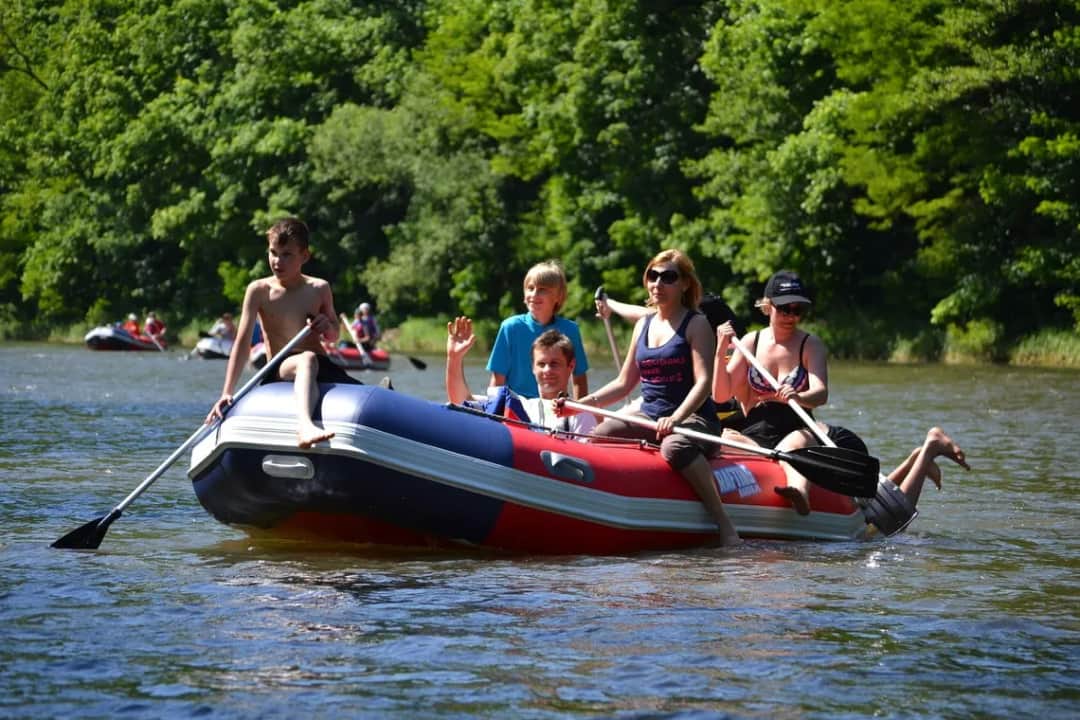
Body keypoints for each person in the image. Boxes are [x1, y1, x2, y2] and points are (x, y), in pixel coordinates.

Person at [559, 249, 740, 546]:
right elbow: (623, 383)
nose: (658, 283)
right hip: (651, 415)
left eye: (668, 277)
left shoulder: (696, 324)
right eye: (652, 276)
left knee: (675, 445)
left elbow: (704, 382)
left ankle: (725, 524)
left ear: (684, 284)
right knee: (602, 433)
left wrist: (677, 418)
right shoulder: (643, 324)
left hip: (693, 418)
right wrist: (580, 405)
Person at [206, 217, 360, 448]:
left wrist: (326, 326)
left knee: (363, 392)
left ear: (304, 256)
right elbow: (242, 341)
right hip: (279, 366)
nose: (277, 261)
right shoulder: (259, 291)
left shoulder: (319, 288)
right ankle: (305, 427)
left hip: (321, 365)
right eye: (273, 252)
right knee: (305, 360)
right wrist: (227, 391)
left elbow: (333, 336)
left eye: (287, 254)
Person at [712, 270, 831, 515]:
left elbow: (821, 393)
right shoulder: (750, 343)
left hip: (797, 426)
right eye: (785, 308)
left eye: (798, 310)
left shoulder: (811, 344)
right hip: (756, 430)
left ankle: (799, 491)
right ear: (768, 305)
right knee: (726, 438)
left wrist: (798, 397)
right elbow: (721, 395)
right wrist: (720, 350)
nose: (791, 316)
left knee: (792, 443)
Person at [447, 317, 597, 435]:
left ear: (571, 366)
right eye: (541, 364)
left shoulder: (581, 415)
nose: (547, 370)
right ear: (532, 367)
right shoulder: (517, 405)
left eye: (554, 364)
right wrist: (454, 359)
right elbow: (460, 401)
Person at [487, 260, 590, 399]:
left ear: (558, 297)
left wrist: (577, 412)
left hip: (556, 407)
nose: (534, 294)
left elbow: (579, 380)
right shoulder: (510, 328)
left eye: (542, 289)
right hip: (517, 407)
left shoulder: (570, 330)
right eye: (530, 288)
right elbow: (497, 381)